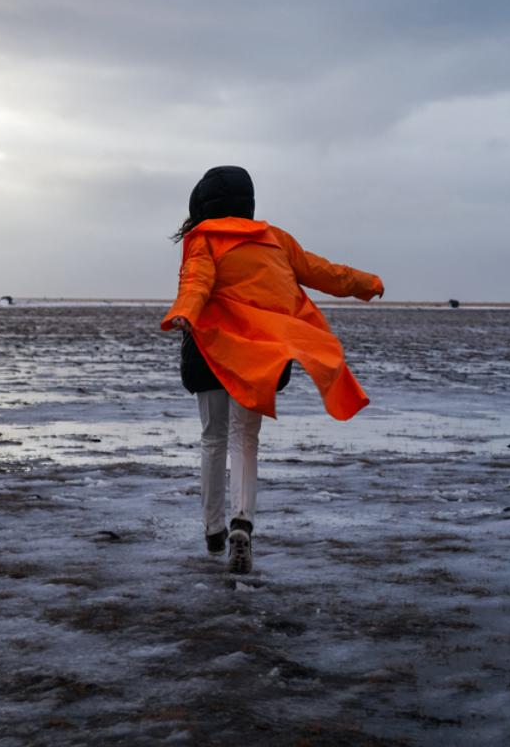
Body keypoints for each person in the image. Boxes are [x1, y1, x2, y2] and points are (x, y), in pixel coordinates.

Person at [161, 166, 383, 574]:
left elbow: (197, 282)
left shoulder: (204, 238)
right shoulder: (275, 238)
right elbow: (324, 272)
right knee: (245, 439)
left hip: (211, 350)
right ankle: (241, 523)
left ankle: (213, 529)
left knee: (213, 437)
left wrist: (185, 313)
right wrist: (366, 282)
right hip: (260, 354)